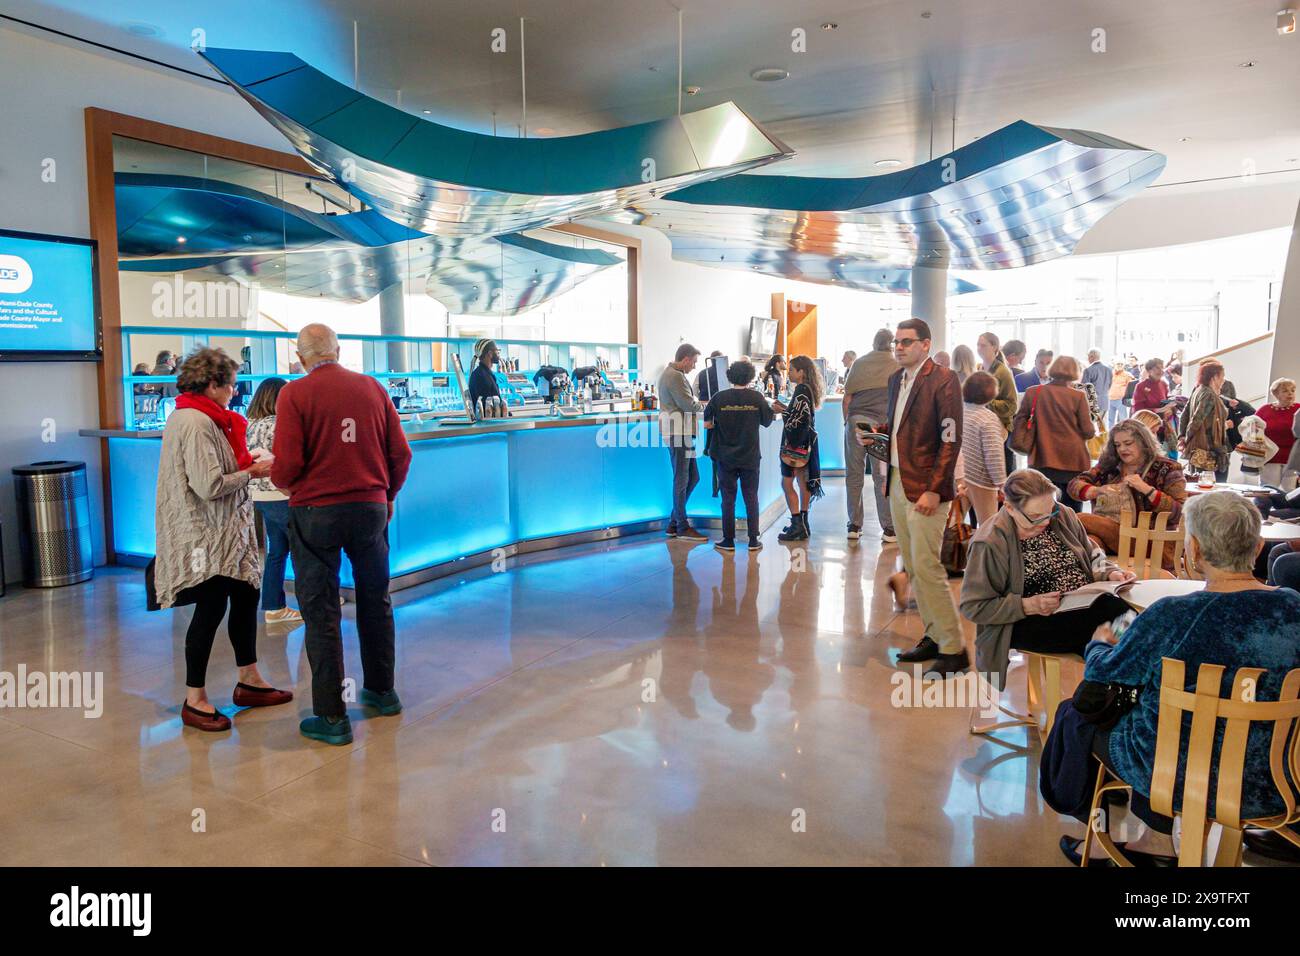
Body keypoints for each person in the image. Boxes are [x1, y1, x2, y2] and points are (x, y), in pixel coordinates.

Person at [1054, 492, 1300, 865]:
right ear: (1259, 545)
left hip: (1177, 776)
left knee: (1095, 711)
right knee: (1164, 707)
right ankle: (1154, 840)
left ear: (1195, 549)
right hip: (1280, 778)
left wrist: (1098, 646)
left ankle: (1150, 841)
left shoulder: (1170, 615)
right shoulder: (1293, 606)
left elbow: (1103, 674)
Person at [272, 323, 413, 745]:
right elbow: (400, 453)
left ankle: (332, 717)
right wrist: (385, 494)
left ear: (300, 358)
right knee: (376, 598)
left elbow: (287, 466)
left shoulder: (293, 395)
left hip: (315, 513)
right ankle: (383, 692)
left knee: (321, 612)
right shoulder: (372, 388)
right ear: (339, 350)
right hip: (370, 508)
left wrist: (285, 483)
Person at [154, 348, 291, 733]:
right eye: (230, 385)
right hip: (206, 536)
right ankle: (194, 699)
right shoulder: (195, 422)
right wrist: (253, 471)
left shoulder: (206, 418)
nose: (234, 392)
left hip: (227, 533)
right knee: (210, 608)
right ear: (212, 384)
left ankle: (249, 678)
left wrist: (247, 467)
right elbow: (209, 485)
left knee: (246, 596)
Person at [960, 468, 1134, 694]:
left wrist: (1110, 573)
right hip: (1025, 620)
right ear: (1010, 508)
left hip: (1078, 605)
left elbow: (1091, 552)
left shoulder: (1061, 514)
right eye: (1034, 517)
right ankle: (1106, 694)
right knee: (1107, 628)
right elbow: (973, 607)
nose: (1044, 522)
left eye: (1049, 513)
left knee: (1129, 618)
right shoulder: (990, 542)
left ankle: (1115, 685)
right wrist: (1029, 605)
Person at [879, 318, 966, 677]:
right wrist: (875, 433)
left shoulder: (943, 380)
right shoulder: (895, 380)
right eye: (896, 342)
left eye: (907, 342)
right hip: (898, 480)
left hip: (927, 485)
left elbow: (950, 438)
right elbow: (902, 427)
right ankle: (933, 635)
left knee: (928, 567)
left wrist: (934, 488)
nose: (899, 347)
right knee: (913, 565)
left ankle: (954, 648)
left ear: (926, 345)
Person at [1067, 419, 1187, 564]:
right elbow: (1074, 485)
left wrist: (1147, 490)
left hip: (1152, 541)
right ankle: (1102, 576)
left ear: (1143, 442)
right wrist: (1096, 491)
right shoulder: (1109, 467)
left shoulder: (1168, 468)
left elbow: (1179, 512)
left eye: (1128, 443)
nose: (1122, 449)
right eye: (1117, 445)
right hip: (1113, 536)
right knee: (1092, 542)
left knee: (1079, 519)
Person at [245, 377, 303, 625]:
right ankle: (312, 600)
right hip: (281, 493)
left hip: (259, 495)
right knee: (302, 551)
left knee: (276, 551)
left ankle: (273, 606)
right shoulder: (279, 424)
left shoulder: (250, 424)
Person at [703, 359, 775, 552]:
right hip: (750, 456)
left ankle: (728, 540)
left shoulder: (718, 398)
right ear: (751, 376)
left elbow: (707, 424)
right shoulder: (757, 398)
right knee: (751, 496)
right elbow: (767, 422)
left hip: (725, 456)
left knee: (728, 498)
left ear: (730, 376)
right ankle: (753, 540)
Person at [1012, 355, 1094, 511]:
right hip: (1072, 460)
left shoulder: (1033, 392)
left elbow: (1020, 420)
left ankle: (1044, 535)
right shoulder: (1078, 396)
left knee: (1041, 505)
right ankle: (1068, 534)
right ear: (1075, 372)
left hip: (1042, 456)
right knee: (1072, 509)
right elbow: (1088, 431)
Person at [842, 329, 898, 542]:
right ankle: (889, 529)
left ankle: (854, 525)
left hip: (857, 422)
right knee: (881, 477)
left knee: (854, 474)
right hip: (882, 426)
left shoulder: (860, 363)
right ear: (891, 344)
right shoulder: (896, 365)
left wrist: (847, 422)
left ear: (874, 343)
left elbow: (847, 398)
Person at [658, 343, 707, 540]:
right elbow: (688, 405)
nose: (694, 366)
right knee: (682, 479)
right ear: (685, 359)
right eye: (694, 362)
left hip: (681, 433)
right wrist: (709, 406)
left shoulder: (673, 374)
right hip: (678, 433)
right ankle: (682, 526)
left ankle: (674, 522)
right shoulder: (674, 376)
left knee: (692, 477)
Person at [774, 355, 823, 541]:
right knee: (803, 482)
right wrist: (787, 409)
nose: (789, 373)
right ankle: (803, 521)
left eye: (792, 370)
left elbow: (798, 419)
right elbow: (802, 414)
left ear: (801, 372)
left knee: (786, 483)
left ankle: (797, 524)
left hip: (796, 445)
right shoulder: (808, 389)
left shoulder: (801, 390)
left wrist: (782, 411)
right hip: (806, 443)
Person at [960, 371, 1009, 525]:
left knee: (954, 524)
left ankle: (953, 550)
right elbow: (993, 454)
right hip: (981, 480)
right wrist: (1002, 483)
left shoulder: (958, 411)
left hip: (960, 475)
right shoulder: (988, 418)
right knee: (988, 525)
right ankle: (985, 550)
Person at [1181, 359, 1231, 483]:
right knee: (1212, 488)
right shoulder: (1208, 394)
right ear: (1214, 377)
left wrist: (1182, 437)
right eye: (1222, 377)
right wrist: (1186, 440)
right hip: (1209, 449)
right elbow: (1196, 420)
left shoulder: (1198, 390)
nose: (1223, 380)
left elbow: (1184, 415)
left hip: (1200, 449)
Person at [976, 332, 1018, 475]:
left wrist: (985, 403)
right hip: (984, 427)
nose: (979, 348)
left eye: (983, 345)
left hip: (1000, 430)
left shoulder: (1003, 372)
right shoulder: (980, 368)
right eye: (978, 345)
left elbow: (1012, 405)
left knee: (1001, 477)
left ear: (994, 347)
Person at [1257, 378, 1298, 490]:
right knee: (1268, 491)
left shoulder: (1299, 409)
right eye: (1285, 391)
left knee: (1290, 492)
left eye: (1292, 390)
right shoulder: (1264, 410)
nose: (1290, 393)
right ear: (1276, 394)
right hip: (1270, 457)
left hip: (1292, 459)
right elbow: (1254, 430)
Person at [468, 338, 507, 416]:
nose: (498, 353)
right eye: (497, 350)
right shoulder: (482, 376)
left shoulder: (484, 373)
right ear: (490, 353)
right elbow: (490, 408)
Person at [1081, 349, 1113, 426]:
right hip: (1105, 401)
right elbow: (1109, 385)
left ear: (1092, 357)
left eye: (1088, 357)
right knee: (1103, 426)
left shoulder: (1088, 370)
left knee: (1091, 427)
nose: (1088, 359)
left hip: (1092, 403)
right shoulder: (1108, 369)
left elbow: (1084, 388)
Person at [1107, 360, 1133, 429]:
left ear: (1124, 365)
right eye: (1118, 363)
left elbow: (1130, 387)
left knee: (1123, 419)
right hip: (1110, 399)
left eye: (1121, 364)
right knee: (1110, 420)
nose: (1120, 365)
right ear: (1114, 365)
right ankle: (1110, 435)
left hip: (1121, 400)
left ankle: (1124, 433)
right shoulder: (1110, 373)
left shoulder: (1127, 375)